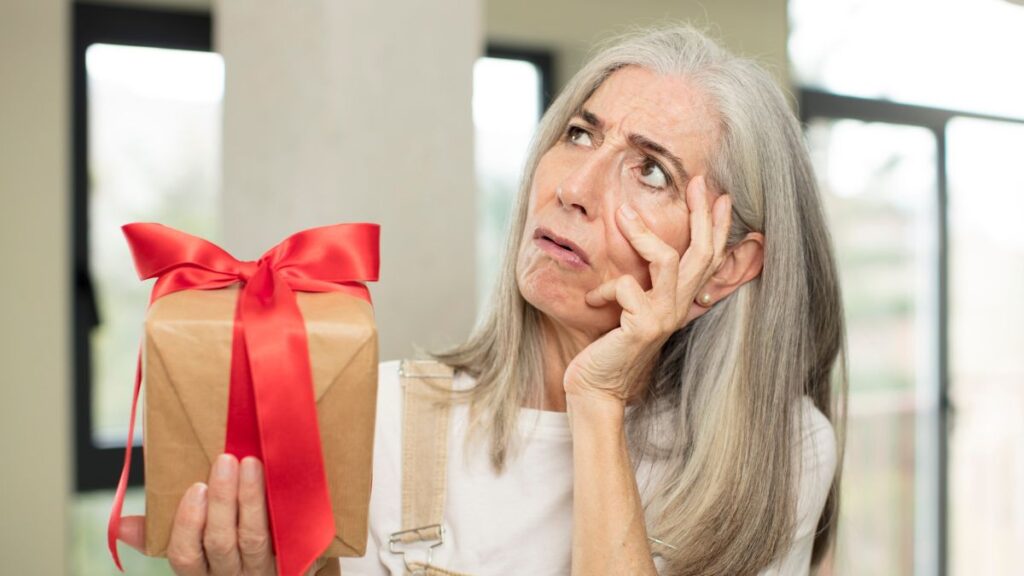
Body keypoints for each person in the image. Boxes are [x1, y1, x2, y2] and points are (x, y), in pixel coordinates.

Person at [117, 23, 846, 576]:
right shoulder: (380, 421)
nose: (573, 189)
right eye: (579, 133)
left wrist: (597, 403)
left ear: (726, 266)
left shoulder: (779, 450)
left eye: (650, 172)